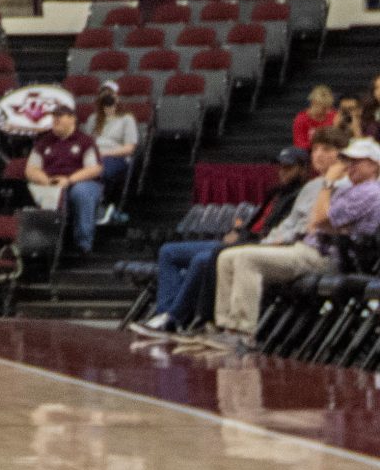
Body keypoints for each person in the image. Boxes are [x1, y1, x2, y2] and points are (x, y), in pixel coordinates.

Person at [211, 136, 380, 347]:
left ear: (374, 165)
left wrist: (327, 183)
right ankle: (226, 325)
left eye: (357, 162)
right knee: (226, 256)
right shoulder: (349, 189)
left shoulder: (371, 192)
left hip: (328, 257)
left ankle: (242, 331)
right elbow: (315, 222)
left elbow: (318, 219)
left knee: (247, 259)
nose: (350, 166)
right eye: (348, 161)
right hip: (310, 248)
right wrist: (326, 220)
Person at [138, 142, 321, 334]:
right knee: (168, 252)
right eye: (280, 167)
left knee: (203, 260)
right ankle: (164, 313)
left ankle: (174, 319)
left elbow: (283, 230)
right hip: (242, 239)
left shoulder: (301, 194)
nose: (282, 172)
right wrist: (239, 230)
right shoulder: (275, 192)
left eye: (288, 168)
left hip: (257, 245)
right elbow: (255, 222)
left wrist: (249, 238)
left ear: (303, 169)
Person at [26, 99, 105, 255]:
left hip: (81, 183)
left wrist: (69, 180)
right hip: (50, 183)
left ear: (72, 119)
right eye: (54, 116)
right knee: (36, 191)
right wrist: (47, 181)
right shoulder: (44, 142)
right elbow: (31, 169)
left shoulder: (85, 141)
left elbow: (95, 168)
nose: (56, 119)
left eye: (60, 116)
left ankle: (83, 244)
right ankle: (43, 246)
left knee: (81, 192)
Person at [91, 84, 139, 219]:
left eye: (110, 94)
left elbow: (130, 148)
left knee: (100, 170)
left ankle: (99, 206)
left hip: (115, 157)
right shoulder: (93, 119)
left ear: (116, 97)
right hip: (93, 156)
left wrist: (105, 154)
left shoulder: (126, 119)